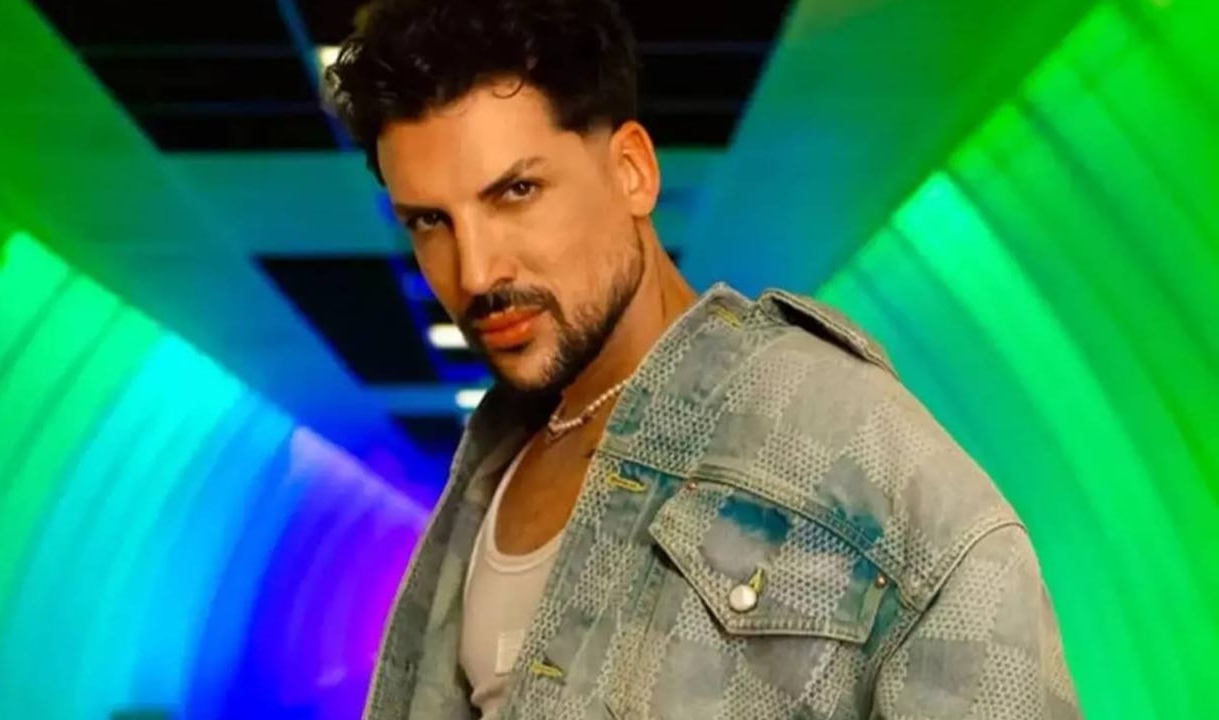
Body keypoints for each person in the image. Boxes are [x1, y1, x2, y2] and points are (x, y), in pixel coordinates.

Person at [326, 1, 1081, 718]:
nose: (476, 271)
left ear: (633, 171)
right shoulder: (496, 466)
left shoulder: (852, 445)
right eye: (430, 221)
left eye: (517, 191)